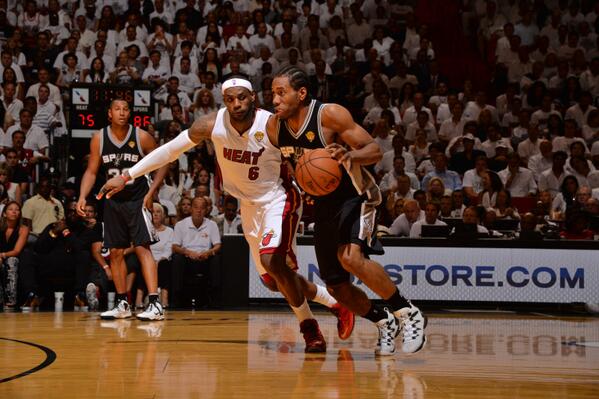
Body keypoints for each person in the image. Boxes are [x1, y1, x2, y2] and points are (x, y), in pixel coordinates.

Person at [98, 77, 354, 353]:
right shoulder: (210, 125)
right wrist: (127, 175)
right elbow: (170, 151)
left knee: (273, 262)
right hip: (248, 206)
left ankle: (309, 329)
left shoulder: (272, 125)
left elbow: (307, 153)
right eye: (230, 99)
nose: (237, 104)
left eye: (242, 97)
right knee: (273, 280)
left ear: (253, 97)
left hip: (277, 200)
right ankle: (336, 304)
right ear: (224, 101)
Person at [270, 66, 426, 356]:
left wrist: (350, 154)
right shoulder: (276, 128)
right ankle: (382, 320)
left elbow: (374, 150)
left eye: (281, 93)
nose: (275, 100)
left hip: (355, 196)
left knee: (351, 257)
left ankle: (407, 312)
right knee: (337, 287)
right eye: (272, 94)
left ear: (301, 93)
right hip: (322, 206)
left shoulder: (329, 115)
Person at [77, 99, 168, 321]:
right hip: (113, 201)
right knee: (115, 252)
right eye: (117, 109)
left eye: (126, 109)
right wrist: (82, 196)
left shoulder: (142, 136)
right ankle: (122, 303)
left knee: (142, 248)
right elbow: (91, 171)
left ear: (130, 114)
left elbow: (163, 161)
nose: (122, 112)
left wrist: (150, 193)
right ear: (109, 113)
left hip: (137, 199)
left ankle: (155, 303)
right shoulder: (100, 138)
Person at [0, 202, 28, 310]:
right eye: (11, 209)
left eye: (17, 209)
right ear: (4, 214)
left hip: (14, 258)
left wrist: (2, 255)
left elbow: (16, 251)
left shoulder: (23, 229)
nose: (14, 211)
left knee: (12, 260)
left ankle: (10, 302)